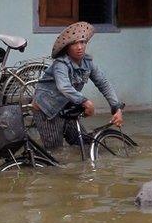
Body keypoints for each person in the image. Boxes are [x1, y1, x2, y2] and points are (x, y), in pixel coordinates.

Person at [32, 21, 125, 149]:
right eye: (74, 44)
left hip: (67, 107)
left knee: (82, 143)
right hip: (48, 110)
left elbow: (103, 83)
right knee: (55, 151)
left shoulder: (88, 63)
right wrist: (86, 102)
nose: (80, 47)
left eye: (82, 42)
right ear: (67, 48)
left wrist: (116, 107)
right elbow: (64, 87)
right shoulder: (61, 64)